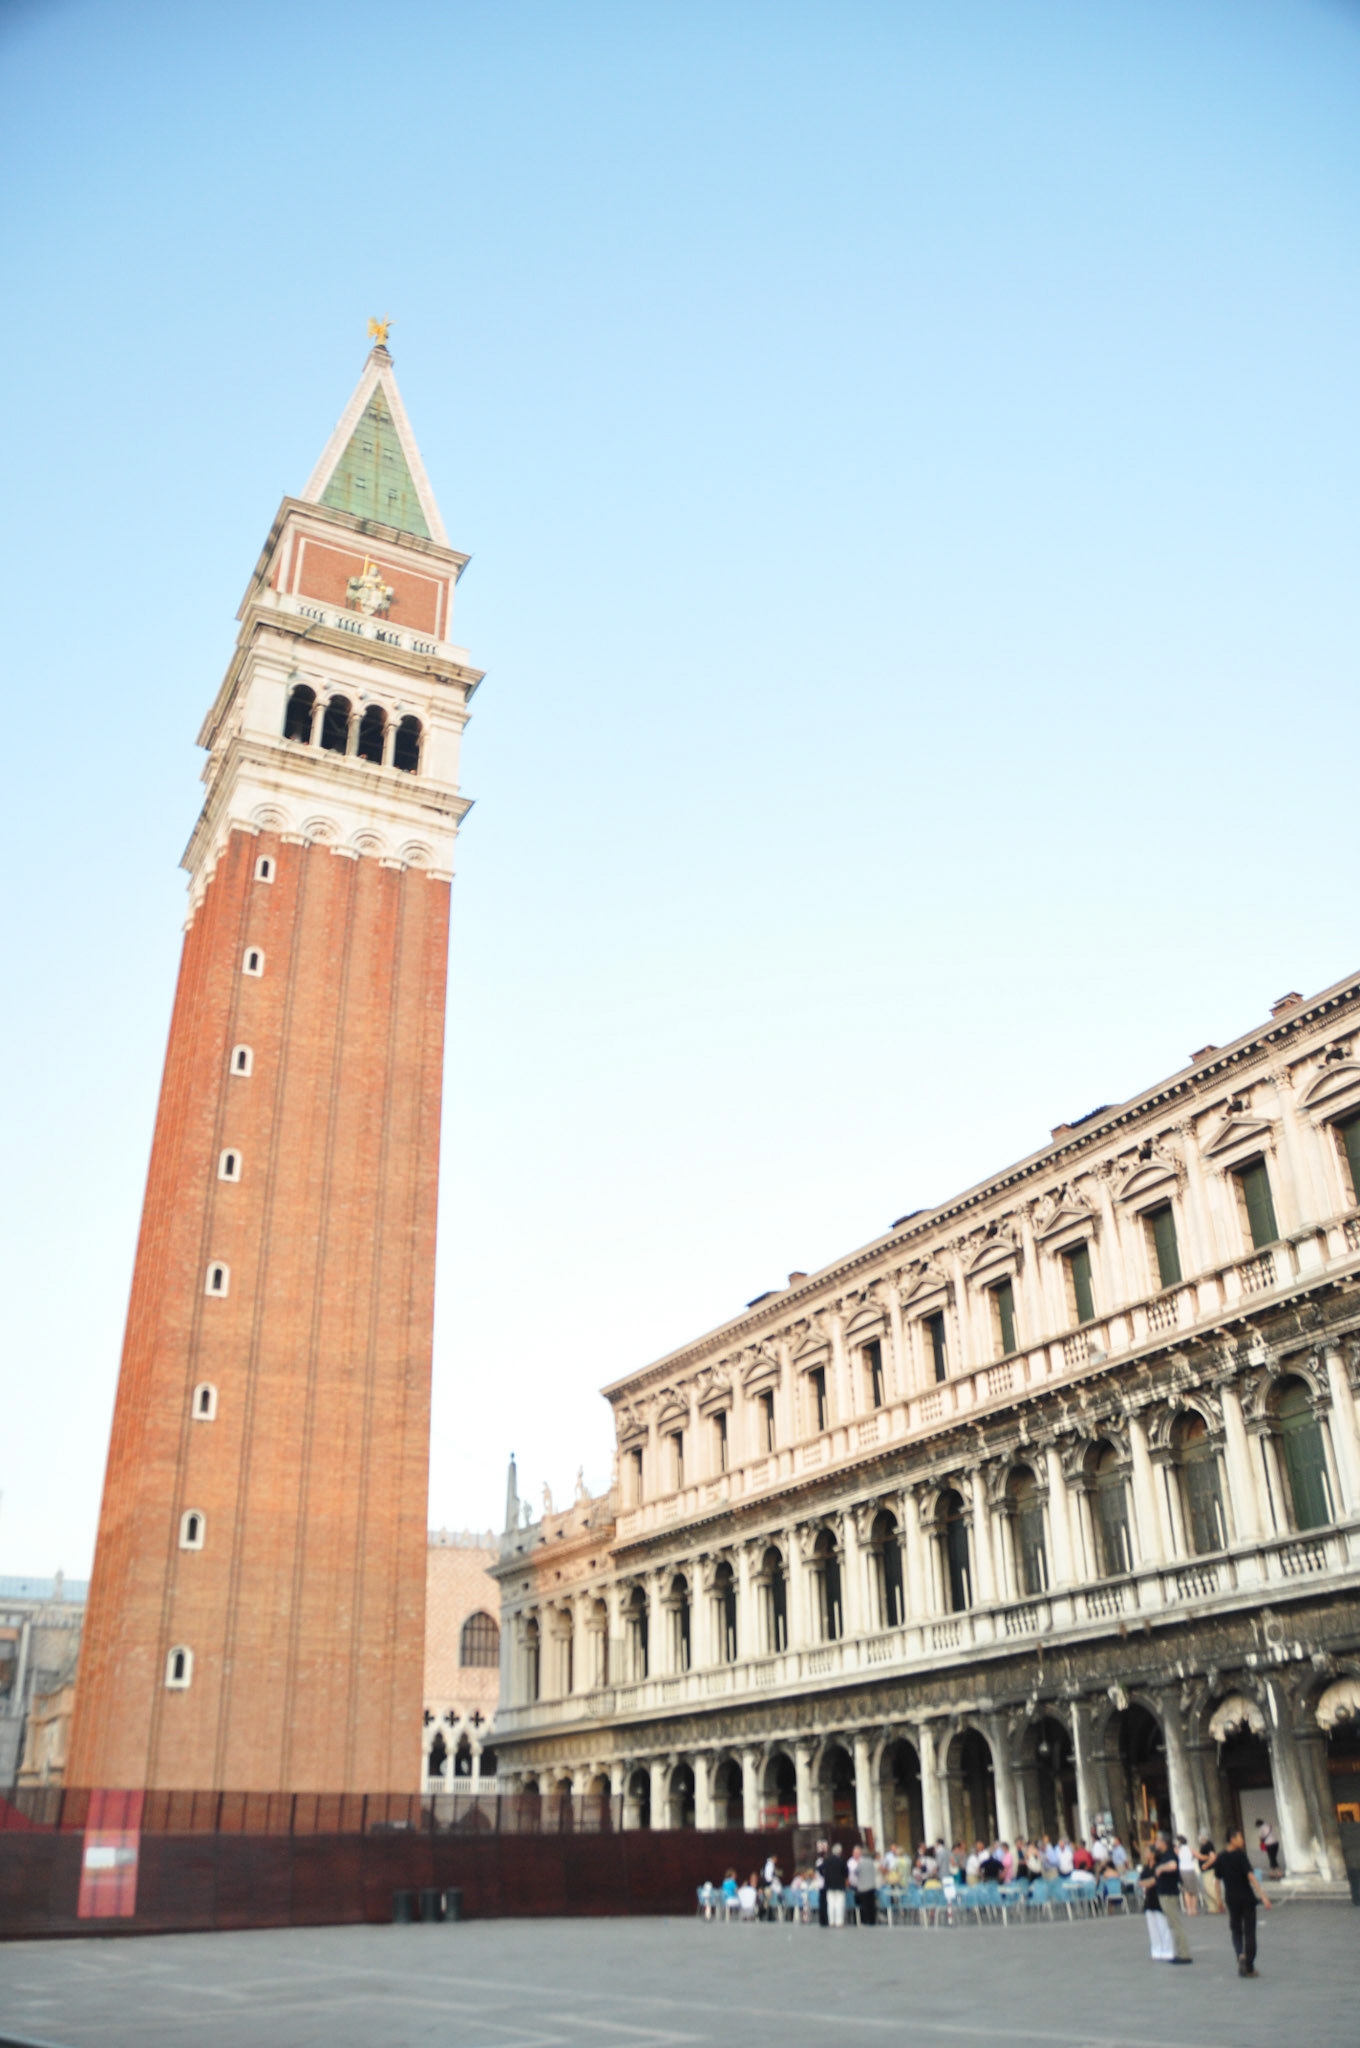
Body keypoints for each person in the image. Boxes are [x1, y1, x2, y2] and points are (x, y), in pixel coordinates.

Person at [1214, 1828, 1273, 1977]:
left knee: (1236, 1930)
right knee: (1249, 1932)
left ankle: (1240, 1954)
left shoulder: (1221, 1857)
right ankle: (1250, 1966)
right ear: (1232, 1839)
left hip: (1231, 1898)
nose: (1242, 1840)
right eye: (1240, 1837)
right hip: (1246, 1897)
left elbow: (1217, 1881)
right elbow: (1251, 1876)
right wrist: (1263, 1896)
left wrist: (1219, 1901)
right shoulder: (1240, 1855)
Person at [1151, 1831, 1193, 1963]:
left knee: (1175, 1924)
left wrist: (1160, 1868)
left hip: (1168, 1894)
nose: (1156, 1843)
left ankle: (1184, 1954)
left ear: (1163, 1842)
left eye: (1158, 1840)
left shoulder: (1170, 1854)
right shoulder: (1163, 1855)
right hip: (1164, 1893)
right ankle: (1180, 1952)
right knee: (1172, 1924)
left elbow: (1173, 1866)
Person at [1138, 1847, 1174, 1963]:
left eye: (1147, 1852)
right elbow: (1140, 1882)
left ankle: (1167, 1950)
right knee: (1152, 1927)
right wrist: (1147, 1882)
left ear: (1153, 1854)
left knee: (1162, 1925)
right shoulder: (1146, 1867)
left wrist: (1148, 1882)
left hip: (1158, 1897)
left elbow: (1155, 1880)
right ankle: (1156, 1950)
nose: (1145, 1854)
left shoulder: (1158, 1866)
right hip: (1149, 1898)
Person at [822, 1841, 849, 1927]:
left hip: (829, 1884)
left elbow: (820, 1869)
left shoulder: (827, 1860)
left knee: (830, 1904)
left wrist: (825, 1876)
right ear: (840, 1851)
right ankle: (839, 1921)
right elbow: (846, 1873)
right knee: (839, 1904)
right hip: (840, 1885)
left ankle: (831, 1921)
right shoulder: (842, 1860)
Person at [1196, 1837, 1223, 1915]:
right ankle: (1213, 1907)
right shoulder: (1204, 1846)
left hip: (1208, 1869)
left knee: (1209, 1887)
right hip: (1205, 1870)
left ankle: (1220, 1903)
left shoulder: (1208, 1845)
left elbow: (1213, 1857)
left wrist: (1206, 1864)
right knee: (1206, 1888)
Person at [855, 1843, 879, 1925]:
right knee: (871, 1904)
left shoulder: (861, 1863)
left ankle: (865, 1920)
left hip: (863, 1887)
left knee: (864, 1905)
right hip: (871, 1886)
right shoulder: (871, 1862)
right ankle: (872, 1920)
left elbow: (856, 1872)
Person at [1177, 1836, 1200, 1915]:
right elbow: (1198, 1856)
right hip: (1190, 1869)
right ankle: (1194, 1909)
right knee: (1194, 1891)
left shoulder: (1178, 1850)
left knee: (1186, 1891)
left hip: (1182, 1870)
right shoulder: (1190, 1849)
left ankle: (1189, 1909)